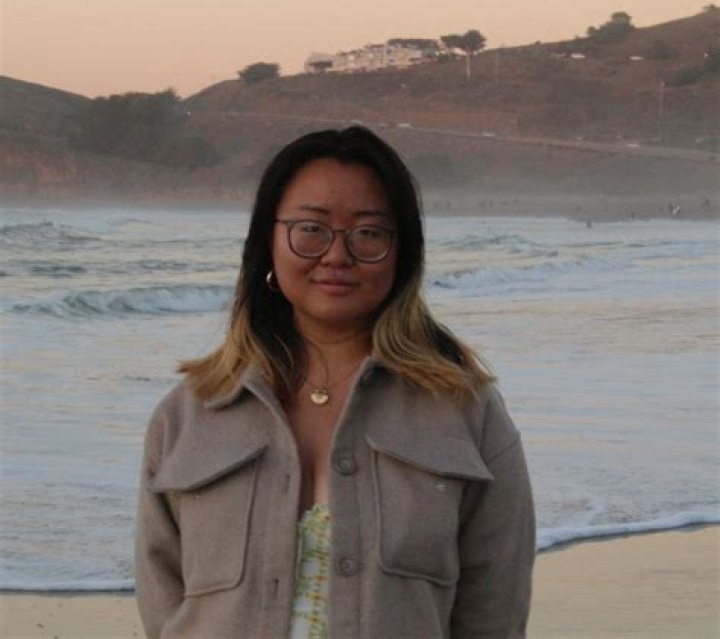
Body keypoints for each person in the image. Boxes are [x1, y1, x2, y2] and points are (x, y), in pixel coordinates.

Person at [135, 126, 535, 638]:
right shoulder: (189, 414)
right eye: (311, 228)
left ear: (402, 253)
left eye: (368, 233)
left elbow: (494, 610)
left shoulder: (465, 411)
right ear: (268, 242)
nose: (337, 255)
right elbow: (163, 603)